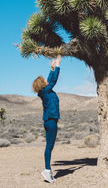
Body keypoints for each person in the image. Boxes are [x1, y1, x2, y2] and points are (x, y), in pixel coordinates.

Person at [32, 54, 61, 183]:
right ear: (42, 84)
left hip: (49, 121)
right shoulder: (46, 91)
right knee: (49, 146)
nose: (46, 81)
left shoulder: (45, 91)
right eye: (44, 80)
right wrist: (58, 65)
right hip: (51, 121)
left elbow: (50, 80)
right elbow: (53, 81)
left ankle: (48, 170)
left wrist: (52, 68)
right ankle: (47, 170)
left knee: (49, 146)